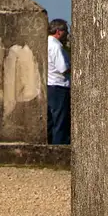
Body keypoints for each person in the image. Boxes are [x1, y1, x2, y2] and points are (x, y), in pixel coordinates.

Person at [46, 18, 70, 146]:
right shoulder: (56, 46)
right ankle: (59, 146)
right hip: (59, 86)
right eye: (65, 30)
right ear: (59, 31)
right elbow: (63, 68)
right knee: (60, 120)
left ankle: (50, 144)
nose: (67, 34)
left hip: (50, 85)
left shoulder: (47, 44)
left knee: (51, 120)